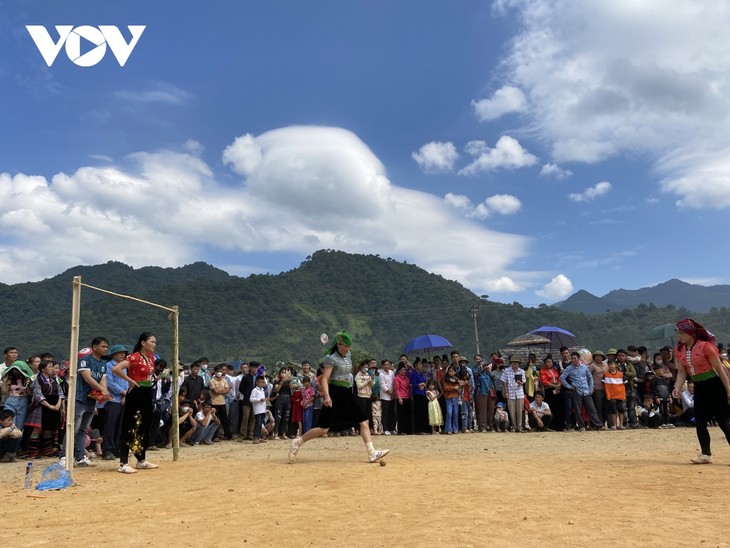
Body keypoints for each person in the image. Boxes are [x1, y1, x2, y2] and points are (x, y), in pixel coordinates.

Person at [287, 331, 389, 463]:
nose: (348, 348)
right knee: (324, 429)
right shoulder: (331, 358)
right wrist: (327, 396)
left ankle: (371, 453)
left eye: (349, 346)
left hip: (347, 392)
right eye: (346, 346)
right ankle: (298, 442)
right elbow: (324, 379)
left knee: (363, 420)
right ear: (339, 345)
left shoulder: (349, 356)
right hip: (335, 393)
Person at [671, 318, 730, 464]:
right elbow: (682, 372)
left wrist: (728, 391)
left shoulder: (706, 347)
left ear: (691, 333)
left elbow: (720, 370)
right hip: (699, 386)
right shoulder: (679, 349)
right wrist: (677, 387)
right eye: (677, 332)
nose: (679, 335)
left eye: (681, 332)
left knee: (723, 421)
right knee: (700, 420)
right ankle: (705, 454)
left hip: (715, 385)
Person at [112, 332, 159, 474]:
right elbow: (116, 369)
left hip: (146, 393)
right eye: (152, 341)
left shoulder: (150, 358)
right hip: (136, 393)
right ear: (143, 343)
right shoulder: (134, 357)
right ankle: (123, 463)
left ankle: (141, 459)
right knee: (130, 426)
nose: (154, 344)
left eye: (155, 342)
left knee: (144, 426)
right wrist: (130, 381)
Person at [60, 338, 110, 468]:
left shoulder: (103, 364)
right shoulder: (84, 360)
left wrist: (103, 391)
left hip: (91, 401)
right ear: (94, 347)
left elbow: (103, 379)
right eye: (103, 346)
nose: (105, 349)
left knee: (83, 430)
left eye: (106, 347)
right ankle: (64, 456)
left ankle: (80, 457)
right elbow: (87, 378)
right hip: (79, 398)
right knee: (73, 429)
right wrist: (102, 390)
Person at [25, 360, 65, 458]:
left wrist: (58, 404)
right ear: (43, 369)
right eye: (50, 367)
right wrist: (48, 405)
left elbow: (60, 393)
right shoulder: (37, 380)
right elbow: (38, 395)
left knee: (49, 429)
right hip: (41, 406)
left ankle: (47, 450)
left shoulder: (54, 380)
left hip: (54, 405)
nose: (52, 369)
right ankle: (33, 452)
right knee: (37, 429)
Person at [559, 351, 604, 431]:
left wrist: (591, 387)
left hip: (586, 390)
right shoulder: (569, 368)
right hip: (576, 391)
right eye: (572, 358)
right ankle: (581, 426)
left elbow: (590, 378)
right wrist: (569, 386)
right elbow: (562, 378)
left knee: (592, 409)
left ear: (579, 358)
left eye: (574, 358)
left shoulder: (584, 367)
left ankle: (598, 425)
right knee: (578, 410)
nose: (573, 360)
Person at [102, 345, 129, 460]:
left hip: (123, 400)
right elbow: (110, 383)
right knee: (110, 426)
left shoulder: (125, 367)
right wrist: (124, 393)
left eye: (124, 353)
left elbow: (128, 382)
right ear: (113, 354)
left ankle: (118, 449)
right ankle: (108, 450)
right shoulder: (108, 365)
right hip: (112, 400)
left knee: (121, 427)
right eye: (119, 353)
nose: (122, 355)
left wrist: (126, 395)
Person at [501, 355, 526, 433]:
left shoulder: (521, 371)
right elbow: (504, 381)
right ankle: (514, 426)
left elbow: (524, 381)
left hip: (519, 393)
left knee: (519, 411)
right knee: (512, 411)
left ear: (518, 364)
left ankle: (519, 426)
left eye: (516, 363)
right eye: (513, 363)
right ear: (511, 363)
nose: (514, 364)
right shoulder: (506, 370)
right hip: (510, 392)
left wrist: (520, 382)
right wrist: (506, 392)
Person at [209, 364, 232, 440]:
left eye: (220, 371)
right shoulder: (212, 381)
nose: (219, 373)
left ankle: (228, 435)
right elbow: (215, 391)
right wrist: (224, 390)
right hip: (214, 403)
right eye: (218, 371)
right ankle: (214, 436)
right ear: (215, 372)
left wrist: (221, 391)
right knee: (214, 420)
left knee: (224, 420)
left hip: (222, 403)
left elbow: (228, 391)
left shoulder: (223, 380)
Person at [602, 359, 627, 430]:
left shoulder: (620, 374)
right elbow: (603, 383)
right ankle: (614, 425)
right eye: (609, 364)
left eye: (612, 364)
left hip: (620, 395)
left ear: (615, 365)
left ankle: (621, 425)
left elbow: (625, 383)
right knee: (613, 410)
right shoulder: (605, 374)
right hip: (611, 396)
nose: (611, 366)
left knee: (621, 409)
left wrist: (623, 395)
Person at [250, 375, 268, 444]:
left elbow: (264, 401)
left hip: (262, 409)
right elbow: (251, 399)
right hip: (257, 410)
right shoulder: (255, 390)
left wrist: (265, 408)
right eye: (260, 382)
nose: (262, 384)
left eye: (263, 382)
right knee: (257, 423)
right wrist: (259, 400)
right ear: (257, 382)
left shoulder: (262, 390)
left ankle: (260, 437)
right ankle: (255, 437)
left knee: (261, 424)